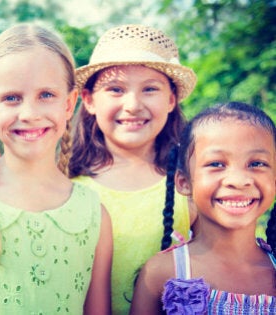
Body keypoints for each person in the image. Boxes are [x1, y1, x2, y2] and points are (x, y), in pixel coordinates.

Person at [0, 23, 113, 314]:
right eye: (12, 98)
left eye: (46, 95)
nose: (29, 114)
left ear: (69, 105)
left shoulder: (94, 213)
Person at [69, 24, 198, 314]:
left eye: (150, 89)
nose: (133, 105)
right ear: (89, 100)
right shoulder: (66, 186)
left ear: (171, 100)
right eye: (115, 89)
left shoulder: (189, 187)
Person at [130, 102, 276, 314]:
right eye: (216, 164)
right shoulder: (163, 272)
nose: (238, 180)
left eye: (256, 164)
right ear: (183, 182)